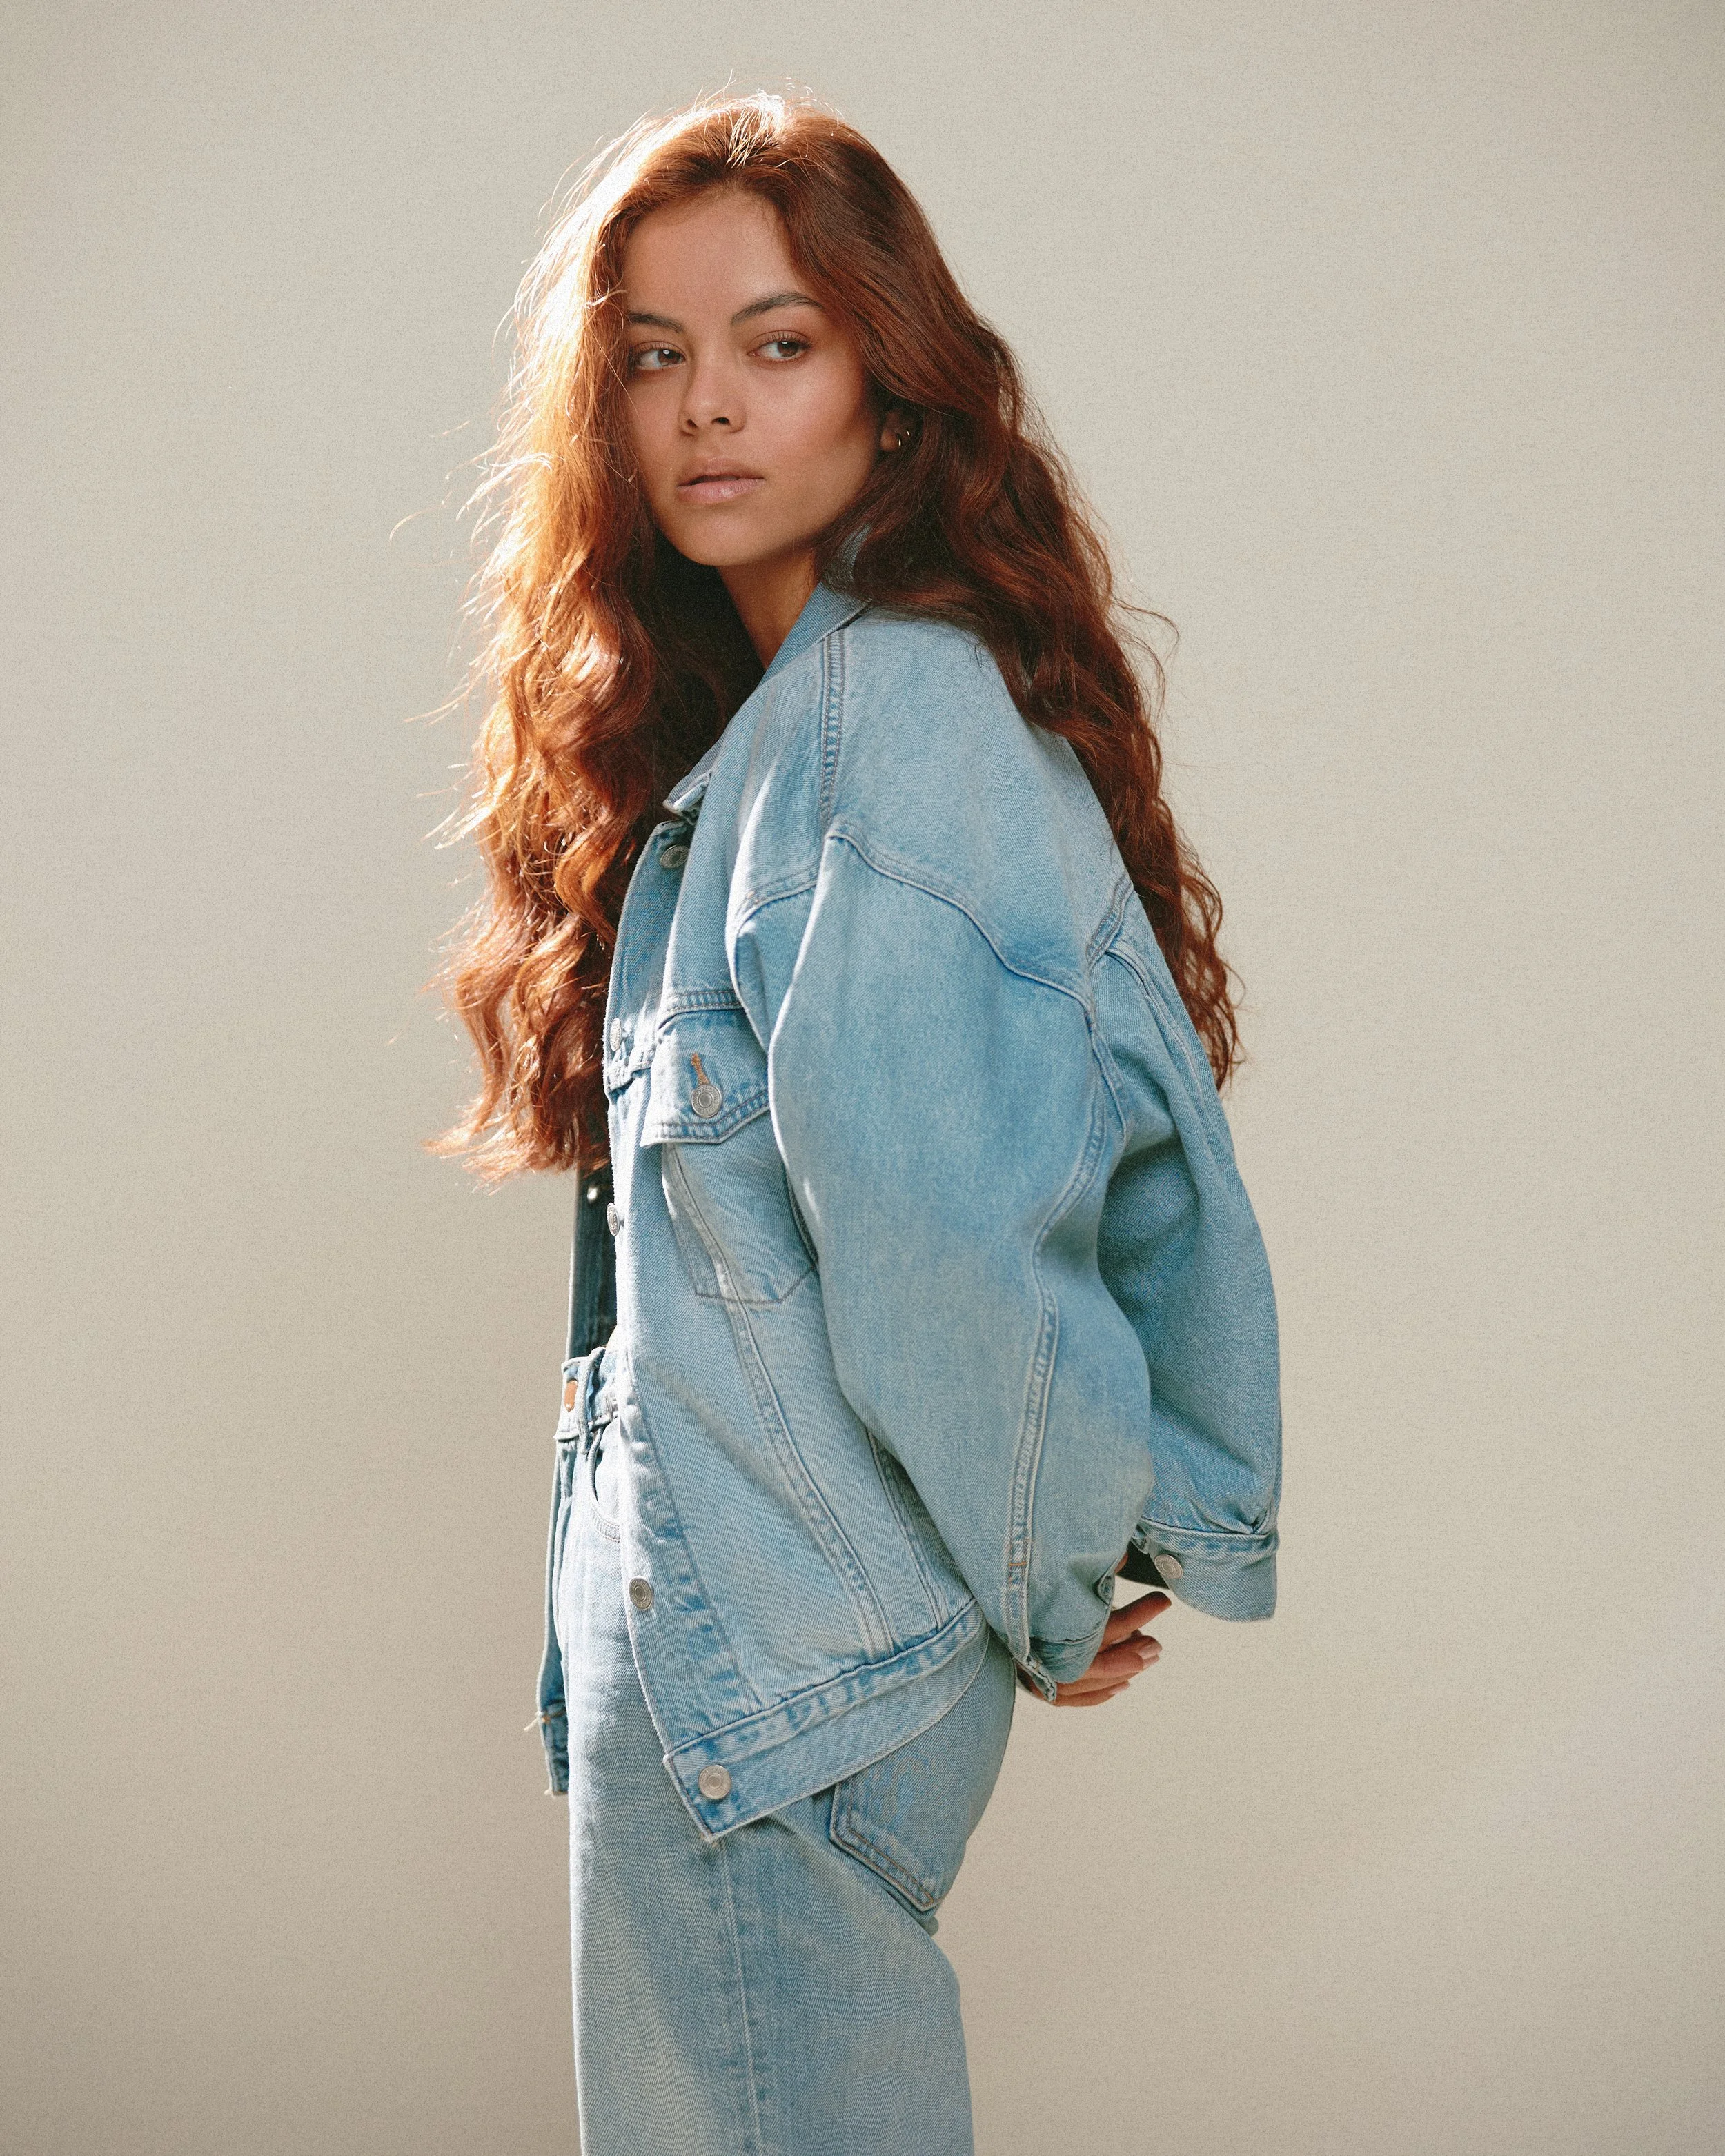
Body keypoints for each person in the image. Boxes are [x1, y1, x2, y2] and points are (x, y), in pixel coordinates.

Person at [439, 90, 1281, 2156]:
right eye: (653, 354)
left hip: (774, 1685)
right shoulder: (792, 734)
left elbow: (943, 1221)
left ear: (893, 399)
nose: (704, 406)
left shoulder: (886, 720)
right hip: (749, 1661)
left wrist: (1049, 1552)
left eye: (776, 340)